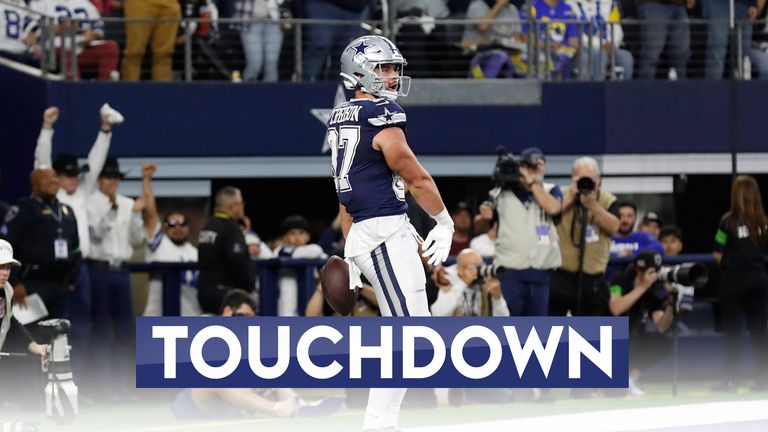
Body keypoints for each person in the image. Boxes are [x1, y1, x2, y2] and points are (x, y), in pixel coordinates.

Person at [332, 35, 453, 431]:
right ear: (360, 71)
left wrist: (352, 249)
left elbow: (347, 199)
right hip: (381, 232)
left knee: (413, 333)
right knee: (411, 336)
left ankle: (383, 422)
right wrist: (444, 220)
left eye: (392, 67)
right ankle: (377, 423)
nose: (391, 75)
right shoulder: (379, 114)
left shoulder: (345, 115)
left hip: (381, 229)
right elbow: (413, 175)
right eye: (383, 67)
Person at [171, 288, 344, 419]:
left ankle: (298, 404)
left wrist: (260, 390)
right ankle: (278, 408)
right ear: (227, 312)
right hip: (195, 401)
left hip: (228, 405)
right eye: (244, 316)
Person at [86, 157, 147, 398]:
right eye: (109, 177)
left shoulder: (127, 203)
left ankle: (123, 386)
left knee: (124, 330)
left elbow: (136, 239)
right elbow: (96, 236)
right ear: (100, 179)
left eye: (116, 178)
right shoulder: (89, 203)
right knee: (101, 329)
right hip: (99, 269)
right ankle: (103, 387)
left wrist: (133, 215)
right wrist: (111, 212)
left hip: (121, 269)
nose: (113, 182)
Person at [482, 147, 562, 316]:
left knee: (537, 331)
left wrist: (532, 184)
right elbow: (483, 220)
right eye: (533, 166)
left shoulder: (551, 189)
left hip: (541, 273)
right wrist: (484, 213)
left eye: (541, 165)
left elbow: (554, 208)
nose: (538, 170)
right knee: (509, 327)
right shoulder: (500, 193)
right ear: (522, 167)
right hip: (510, 273)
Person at [0, 168, 80, 320]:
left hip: (60, 285)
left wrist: (71, 280)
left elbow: (76, 248)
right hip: (30, 285)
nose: (53, 180)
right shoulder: (23, 210)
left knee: (59, 337)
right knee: (32, 337)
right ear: (34, 185)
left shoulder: (67, 212)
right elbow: (3, 247)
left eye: (55, 176)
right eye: (45, 177)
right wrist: (14, 283)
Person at [712, 175, 768, 392]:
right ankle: (763, 381)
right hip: (760, 281)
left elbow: (717, 253)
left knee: (733, 333)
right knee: (760, 333)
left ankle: (731, 381)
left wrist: (731, 263)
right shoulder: (765, 223)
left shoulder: (727, 222)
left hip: (733, 281)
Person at [549, 156, 620, 317]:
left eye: (590, 179)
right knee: (552, 331)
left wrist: (593, 205)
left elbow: (615, 227)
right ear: (572, 179)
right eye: (580, 179)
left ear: (598, 180)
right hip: (561, 275)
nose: (585, 183)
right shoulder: (560, 194)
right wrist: (571, 198)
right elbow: (550, 217)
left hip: (592, 279)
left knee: (588, 335)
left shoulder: (608, 200)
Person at [607, 250, 675, 396]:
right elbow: (616, 308)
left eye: (657, 271)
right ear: (638, 270)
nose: (654, 276)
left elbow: (661, 326)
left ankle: (630, 378)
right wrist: (642, 287)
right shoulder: (619, 280)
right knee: (613, 393)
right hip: (610, 341)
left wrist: (671, 304)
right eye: (651, 271)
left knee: (665, 341)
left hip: (633, 339)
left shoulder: (654, 290)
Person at [141, 164, 201, 316]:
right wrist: (146, 179)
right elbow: (150, 215)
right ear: (165, 228)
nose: (178, 227)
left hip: (191, 317)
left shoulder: (196, 253)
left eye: (182, 223)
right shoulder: (160, 244)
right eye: (172, 224)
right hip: (158, 318)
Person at [197, 186, 254, 314]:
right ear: (233, 206)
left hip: (204, 290)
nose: (242, 207)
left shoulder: (208, 225)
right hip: (225, 292)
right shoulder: (230, 228)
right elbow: (237, 260)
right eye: (241, 204)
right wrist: (248, 286)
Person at [29, 0, 120, 80]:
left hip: (80, 48)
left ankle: (104, 94)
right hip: (53, 49)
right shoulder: (39, 3)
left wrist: (91, 36)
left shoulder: (86, 4)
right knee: (66, 52)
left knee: (111, 47)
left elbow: (98, 30)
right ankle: (76, 93)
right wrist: (60, 28)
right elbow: (31, 33)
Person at [0, 239, 48, 358]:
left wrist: (35, 346)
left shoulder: (7, 290)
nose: (5, 273)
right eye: (1, 267)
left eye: (8, 267)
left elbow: (9, 321)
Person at [272, 215, 326, 316]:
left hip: (311, 301)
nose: (297, 238)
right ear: (285, 237)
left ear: (308, 236)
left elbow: (316, 250)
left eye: (301, 233)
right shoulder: (280, 250)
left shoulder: (317, 253)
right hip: (287, 303)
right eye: (292, 233)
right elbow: (314, 251)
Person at [430, 249, 509, 317]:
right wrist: (463, 283)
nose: (478, 270)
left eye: (481, 265)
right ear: (460, 269)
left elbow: (504, 320)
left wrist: (497, 298)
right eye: (475, 266)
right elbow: (438, 314)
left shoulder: (485, 282)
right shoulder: (445, 279)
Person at [568, 0, 634, 80]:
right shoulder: (569, 3)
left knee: (626, 57)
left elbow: (617, 27)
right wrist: (600, 45)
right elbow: (573, 31)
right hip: (585, 47)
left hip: (609, 45)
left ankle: (623, 90)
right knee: (599, 54)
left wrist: (612, 43)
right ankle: (597, 88)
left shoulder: (609, 3)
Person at [122, 0, 181, 81]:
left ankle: (162, 91)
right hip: (140, 3)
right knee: (135, 51)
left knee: (164, 54)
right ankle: (128, 90)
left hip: (170, 5)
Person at [635, 0, 692, 79]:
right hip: (653, 4)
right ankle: (644, 89)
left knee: (681, 55)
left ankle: (682, 89)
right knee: (651, 54)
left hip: (679, 5)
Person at [233, 0, 285, 82]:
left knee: (271, 64)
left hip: (274, 20)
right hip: (249, 20)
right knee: (255, 63)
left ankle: (271, 94)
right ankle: (248, 92)